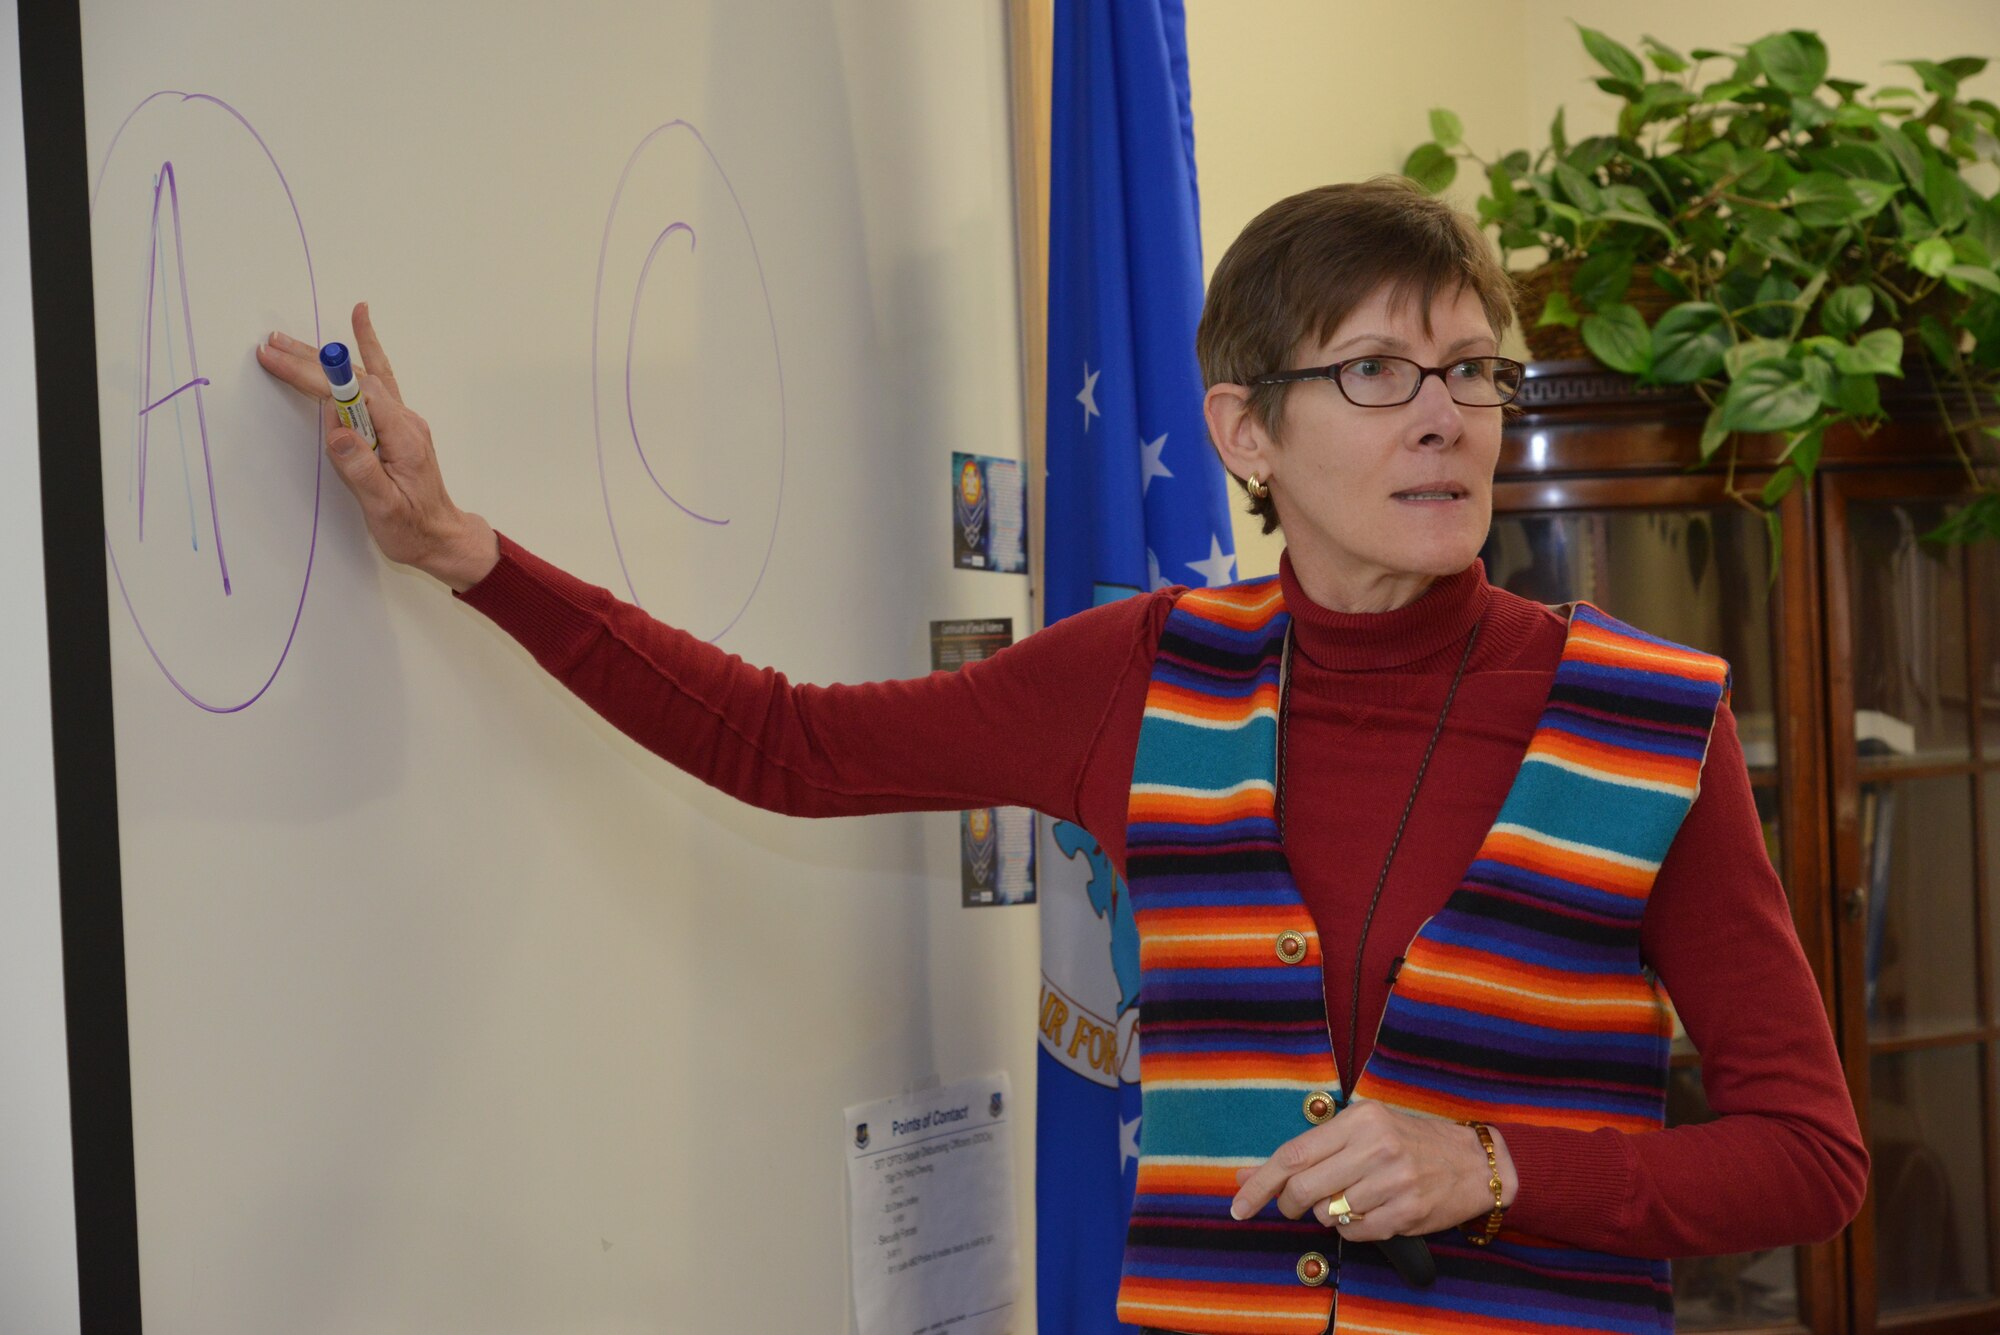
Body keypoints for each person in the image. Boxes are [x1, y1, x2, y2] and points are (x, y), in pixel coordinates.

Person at [257, 177, 1867, 1334]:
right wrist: (470, 553)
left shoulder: (1654, 715)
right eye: (1379, 373)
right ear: (1245, 434)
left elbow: (1808, 1162)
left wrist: (1497, 1169)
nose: (1445, 417)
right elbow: (783, 743)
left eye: (1472, 373)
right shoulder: (1140, 673)